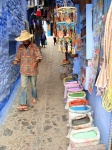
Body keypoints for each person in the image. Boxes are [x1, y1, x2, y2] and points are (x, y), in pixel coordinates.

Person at [12, 30, 42, 111]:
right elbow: (18, 57)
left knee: (33, 86)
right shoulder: (20, 47)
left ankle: (34, 97)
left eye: (24, 39)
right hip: (24, 70)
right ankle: (23, 104)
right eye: (22, 39)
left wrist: (37, 62)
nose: (23, 40)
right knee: (23, 86)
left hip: (33, 70)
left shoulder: (34, 46)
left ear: (28, 39)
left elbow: (39, 56)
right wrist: (15, 61)